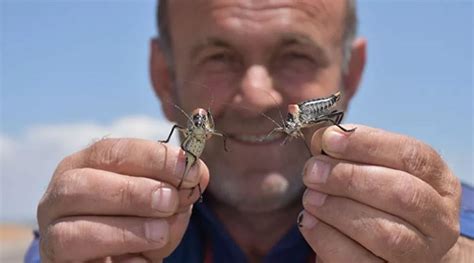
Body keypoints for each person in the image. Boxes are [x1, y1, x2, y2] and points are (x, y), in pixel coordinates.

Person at [26, 0, 473, 262]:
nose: (256, 96)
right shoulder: (102, 220)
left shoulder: (447, 220)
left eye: (295, 54)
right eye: (218, 56)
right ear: (163, 76)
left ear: (351, 74)